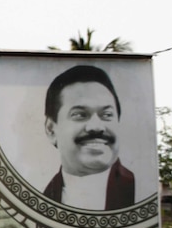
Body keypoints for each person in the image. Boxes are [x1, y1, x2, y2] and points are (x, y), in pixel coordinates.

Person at [42, 64, 135, 210]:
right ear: (51, 130)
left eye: (107, 115)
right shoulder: (43, 203)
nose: (96, 127)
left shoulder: (139, 190)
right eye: (80, 115)